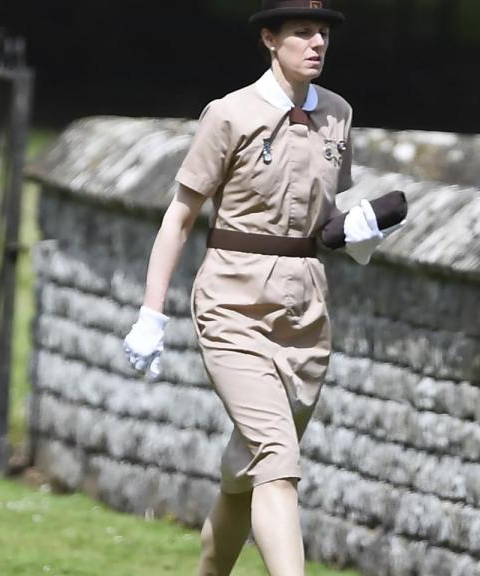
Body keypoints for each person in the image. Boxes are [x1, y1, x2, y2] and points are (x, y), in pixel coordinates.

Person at [123, 1, 405, 574]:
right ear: (269, 40)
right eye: (302, 33)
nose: (317, 43)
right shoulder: (229, 115)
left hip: (306, 315)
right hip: (232, 303)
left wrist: (359, 227)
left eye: (323, 33)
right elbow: (179, 217)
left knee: (243, 473)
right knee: (278, 458)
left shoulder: (338, 114)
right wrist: (152, 314)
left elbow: (332, 214)